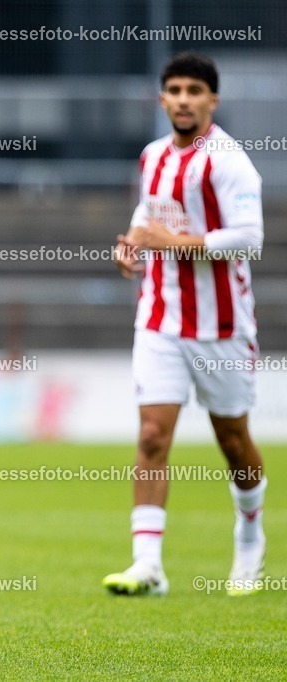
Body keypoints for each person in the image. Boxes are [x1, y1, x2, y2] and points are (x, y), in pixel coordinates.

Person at [107, 52, 266, 597]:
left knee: (232, 438)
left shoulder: (229, 161)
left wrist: (168, 244)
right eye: (173, 89)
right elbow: (146, 221)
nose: (182, 99)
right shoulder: (153, 156)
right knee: (152, 435)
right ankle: (147, 565)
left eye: (193, 91)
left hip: (221, 324)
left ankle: (250, 533)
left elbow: (249, 237)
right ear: (162, 98)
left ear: (211, 101)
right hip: (160, 318)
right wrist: (131, 248)